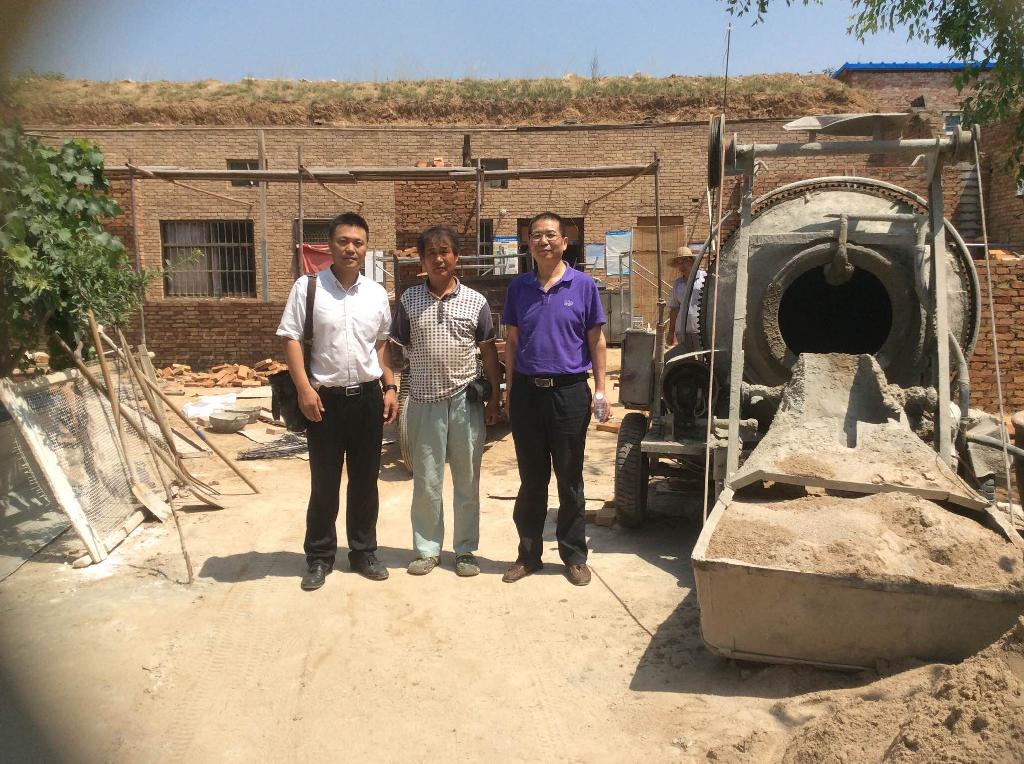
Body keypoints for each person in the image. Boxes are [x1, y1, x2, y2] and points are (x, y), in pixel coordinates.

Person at [276, 211, 398, 591]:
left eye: (358, 243)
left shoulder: (376, 294)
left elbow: (381, 345)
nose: (350, 249)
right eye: (343, 241)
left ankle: (363, 552)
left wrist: (390, 387)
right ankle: (319, 556)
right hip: (324, 402)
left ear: (366, 248)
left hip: (367, 399)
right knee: (324, 483)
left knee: (365, 481)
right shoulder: (308, 288)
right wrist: (304, 389)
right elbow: (291, 337)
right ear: (330, 245)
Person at [501, 211, 608, 587]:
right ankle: (528, 556)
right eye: (536, 235)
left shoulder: (584, 286)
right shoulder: (518, 288)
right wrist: (510, 390)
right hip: (528, 393)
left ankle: (574, 557)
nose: (543, 241)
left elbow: (596, 340)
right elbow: (512, 341)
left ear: (565, 241)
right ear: (527, 243)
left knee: (570, 478)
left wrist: (601, 389)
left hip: (569, 393)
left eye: (550, 235)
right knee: (532, 480)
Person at [390, 226, 501, 577]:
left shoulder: (476, 301)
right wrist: (391, 388)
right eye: (431, 253)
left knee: (467, 481)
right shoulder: (409, 300)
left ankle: (465, 550)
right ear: (422, 260)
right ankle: (427, 549)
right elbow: (395, 350)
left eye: (445, 251)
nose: (438, 258)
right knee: (427, 481)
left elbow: (488, 352)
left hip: (466, 402)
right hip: (423, 401)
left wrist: (495, 397)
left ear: (457, 257)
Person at [667, 246, 706, 352]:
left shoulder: (704, 278)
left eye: (683, 261)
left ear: (690, 261)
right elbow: (674, 309)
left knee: (702, 358)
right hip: (682, 331)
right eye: (678, 262)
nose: (681, 265)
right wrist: (671, 332)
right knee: (686, 358)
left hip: (701, 330)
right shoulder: (678, 284)